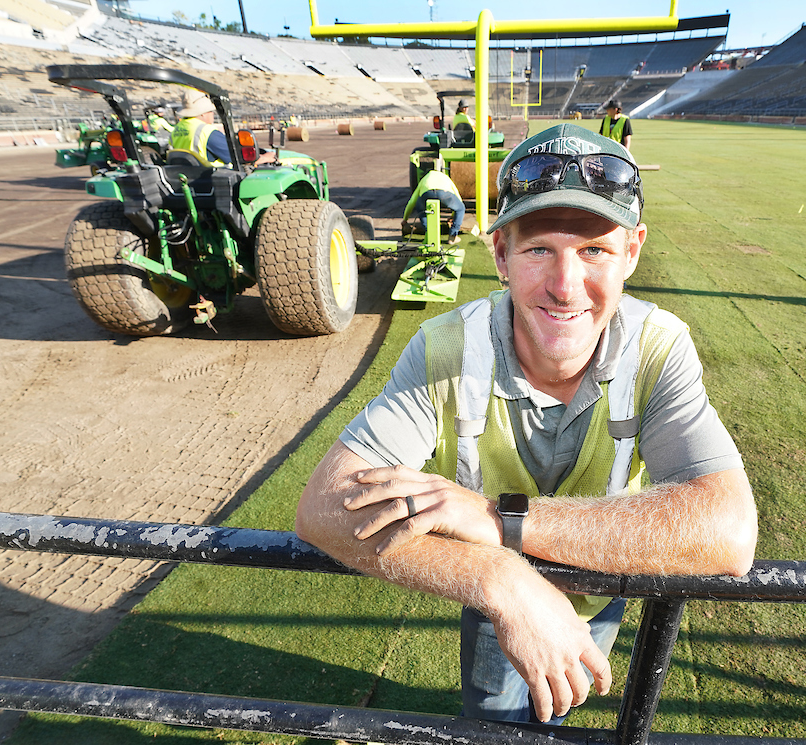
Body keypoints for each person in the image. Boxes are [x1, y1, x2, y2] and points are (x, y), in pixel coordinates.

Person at [296, 123, 756, 726]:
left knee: (556, 704)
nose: (565, 288)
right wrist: (498, 577)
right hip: (498, 594)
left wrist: (493, 520)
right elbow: (324, 506)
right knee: (495, 717)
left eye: (594, 249)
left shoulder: (659, 347)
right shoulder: (445, 349)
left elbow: (727, 530)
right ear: (502, 255)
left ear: (633, 254)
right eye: (540, 248)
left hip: (603, 583)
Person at [403, 164, 465, 245]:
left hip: (427, 193)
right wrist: (453, 216)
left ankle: (429, 234)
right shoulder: (445, 177)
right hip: (444, 193)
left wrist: (405, 219)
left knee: (421, 209)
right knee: (461, 208)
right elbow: (458, 198)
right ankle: (452, 237)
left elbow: (412, 201)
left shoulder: (424, 178)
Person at [170, 90, 232, 166]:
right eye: (211, 111)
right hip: (210, 175)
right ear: (203, 113)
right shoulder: (207, 132)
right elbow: (234, 156)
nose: (213, 114)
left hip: (185, 173)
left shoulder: (176, 129)